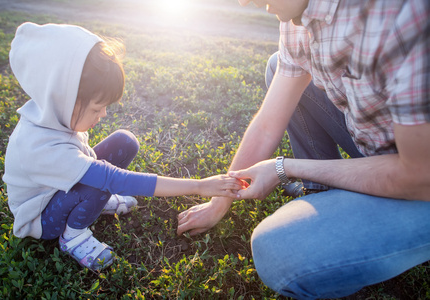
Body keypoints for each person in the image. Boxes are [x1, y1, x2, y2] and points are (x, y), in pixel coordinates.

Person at [177, 0, 430, 298]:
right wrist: (219, 202)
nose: (243, 1)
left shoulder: (403, 14)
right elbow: (266, 126)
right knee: (280, 65)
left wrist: (285, 167)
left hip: (422, 177)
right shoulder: (295, 17)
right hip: (385, 146)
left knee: (280, 252)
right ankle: (323, 196)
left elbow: (419, 176)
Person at [3, 22, 243, 271]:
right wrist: (200, 186)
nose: (103, 114)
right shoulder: (41, 148)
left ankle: (92, 202)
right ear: (63, 99)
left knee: (124, 142)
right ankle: (72, 236)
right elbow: (113, 177)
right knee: (100, 183)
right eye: (97, 108)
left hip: (61, 185)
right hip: (42, 219)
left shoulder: (55, 114)